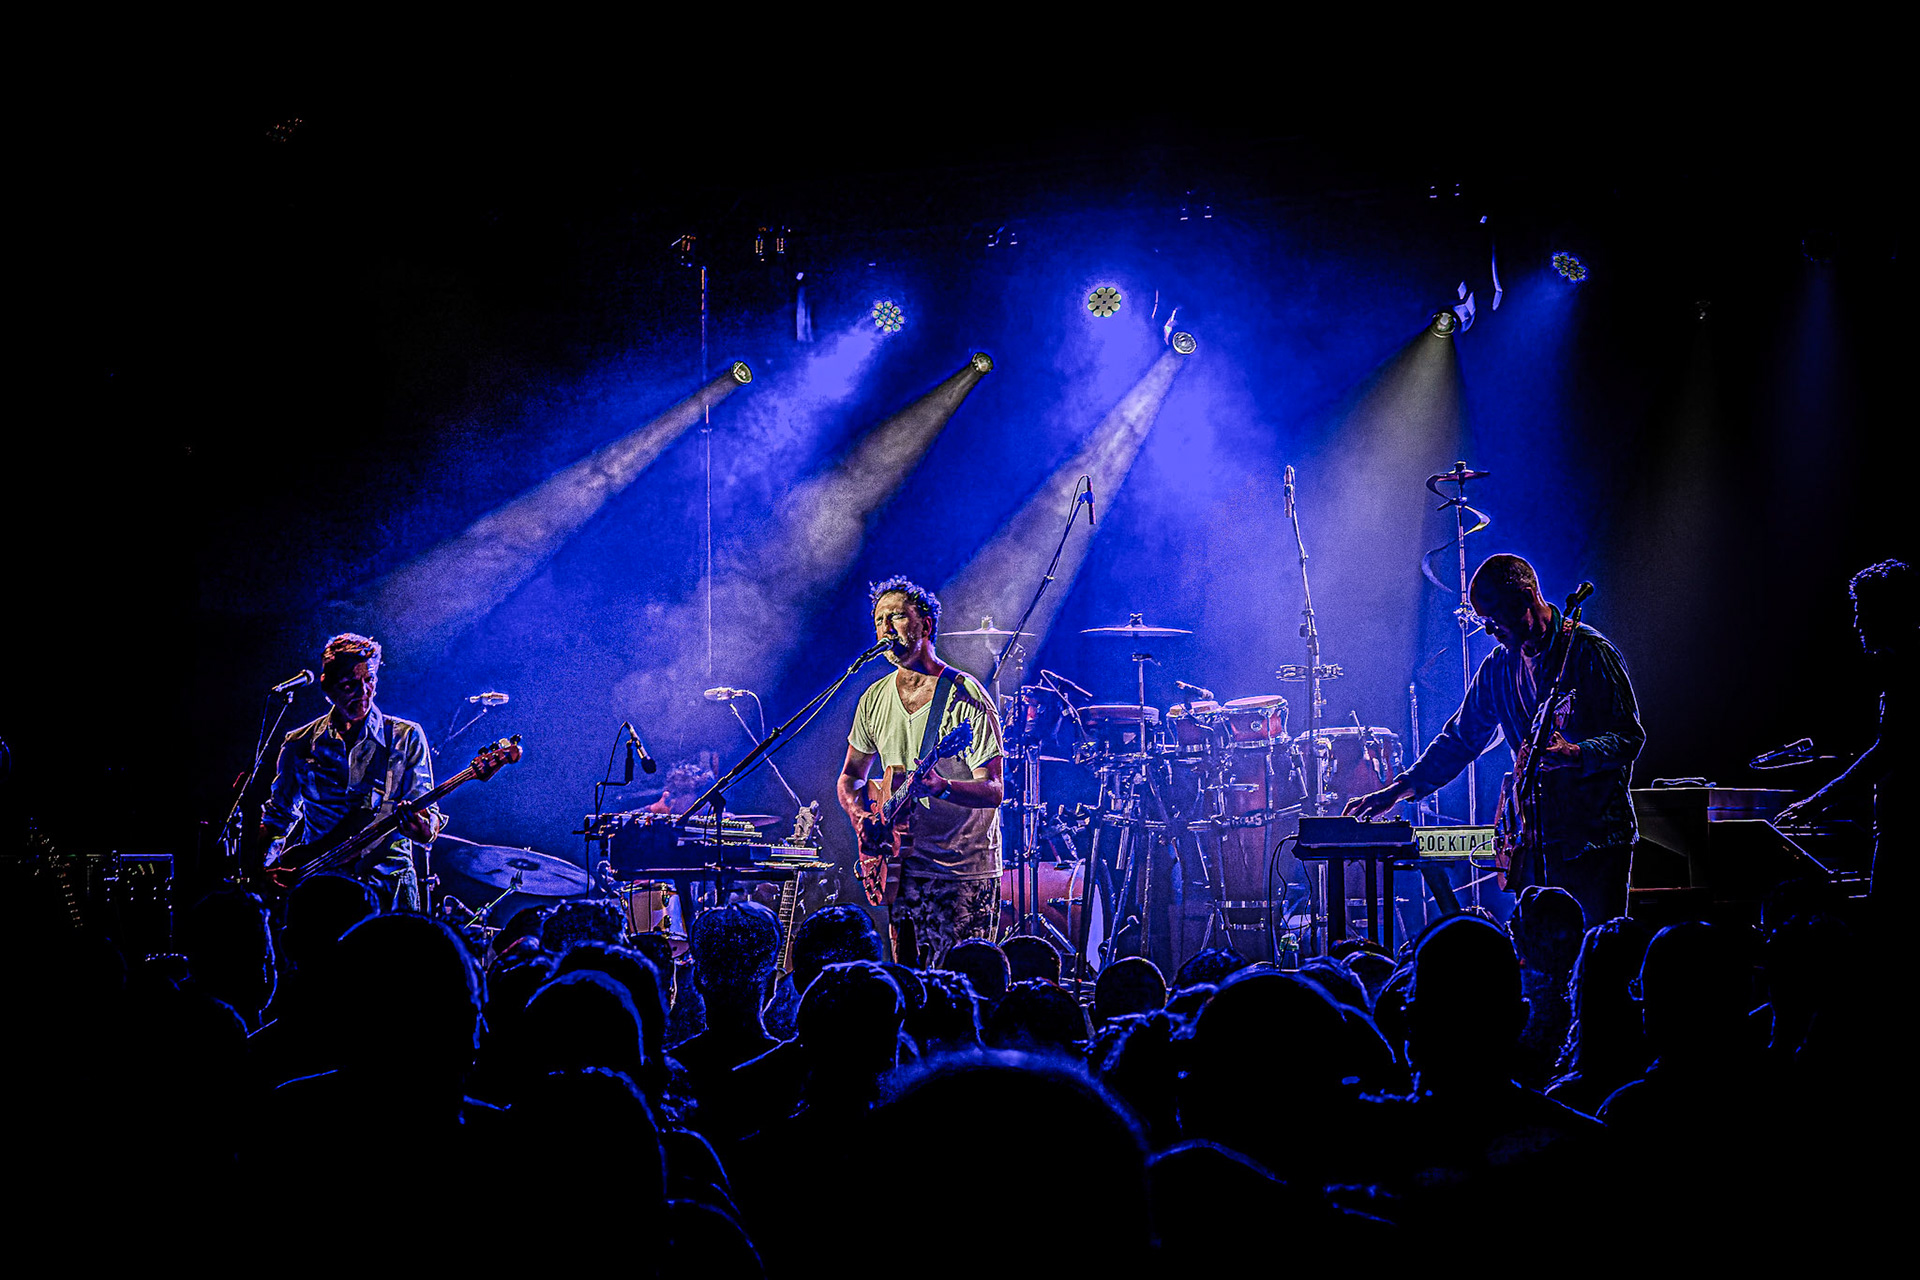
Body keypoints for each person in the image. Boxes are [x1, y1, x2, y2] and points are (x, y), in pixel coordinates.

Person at [1346, 554, 1645, 925]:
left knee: (1597, 949)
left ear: (1526, 599)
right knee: (1536, 952)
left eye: (1493, 618)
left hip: (1593, 842)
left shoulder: (1589, 652)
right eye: (1482, 621)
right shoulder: (1499, 667)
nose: (1489, 630)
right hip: (1533, 844)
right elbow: (1460, 740)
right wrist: (1397, 790)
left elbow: (1629, 736)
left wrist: (1576, 752)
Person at [837, 576, 1004, 966]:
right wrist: (860, 816)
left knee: (960, 988)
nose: (886, 628)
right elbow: (850, 777)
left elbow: (995, 789)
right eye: (879, 620)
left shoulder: (965, 695)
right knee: (907, 984)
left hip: (960, 870)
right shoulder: (874, 698)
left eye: (896, 617)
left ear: (925, 626)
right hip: (901, 867)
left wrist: (942, 787)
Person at [259, 633, 444, 911]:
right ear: (327, 686)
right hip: (320, 885)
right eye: (349, 684)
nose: (363, 692)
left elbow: (429, 821)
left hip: (388, 888)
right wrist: (263, 869)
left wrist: (423, 830)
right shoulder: (300, 743)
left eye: (370, 680)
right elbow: (278, 818)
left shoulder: (405, 737)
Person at [1777, 559, 1915, 902]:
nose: (1857, 623)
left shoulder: (1912, 671)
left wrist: (1817, 802)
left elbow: (1889, 750)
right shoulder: (1900, 668)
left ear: (1889, 611)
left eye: (1863, 611)